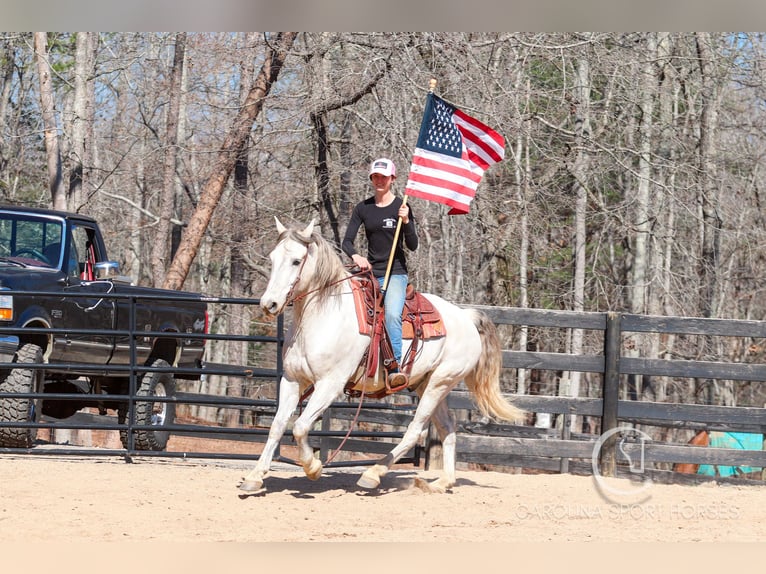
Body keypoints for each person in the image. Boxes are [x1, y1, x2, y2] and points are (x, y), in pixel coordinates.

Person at [342, 158, 419, 388]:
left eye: (384, 177)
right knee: (350, 312)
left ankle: (394, 367)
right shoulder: (363, 208)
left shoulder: (401, 207)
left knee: (393, 315)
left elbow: (413, 245)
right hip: (370, 273)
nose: (379, 180)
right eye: (376, 176)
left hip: (395, 273)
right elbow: (347, 241)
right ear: (371, 178)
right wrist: (356, 256)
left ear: (392, 179)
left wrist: (406, 221)